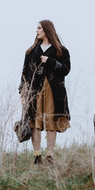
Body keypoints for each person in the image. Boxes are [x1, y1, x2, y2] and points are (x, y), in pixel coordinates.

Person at [19, 20, 71, 164]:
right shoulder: (30, 51)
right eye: (37, 28)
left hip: (53, 91)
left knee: (51, 122)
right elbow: (24, 73)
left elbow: (66, 69)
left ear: (47, 30)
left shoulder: (61, 50)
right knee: (34, 123)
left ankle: (50, 156)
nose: (37, 30)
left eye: (39, 28)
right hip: (34, 91)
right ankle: (37, 156)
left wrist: (51, 61)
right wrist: (22, 91)